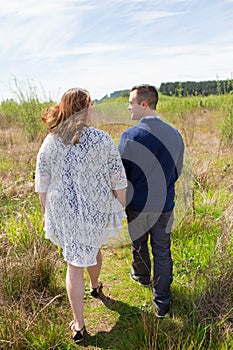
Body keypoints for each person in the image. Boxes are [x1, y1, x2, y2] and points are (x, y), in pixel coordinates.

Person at [35, 87, 127, 343]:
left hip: (63, 211)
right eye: (90, 105)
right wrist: (122, 204)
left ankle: (79, 325)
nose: (93, 109)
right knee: (90, 249)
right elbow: (117, 178)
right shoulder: (101, 139)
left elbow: (42, 182)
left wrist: (46, 213)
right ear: (84, 109)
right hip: (93, 209)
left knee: (73, 263)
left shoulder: (50, 140)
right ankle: (94, 290)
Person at [118, 84, 184, 318]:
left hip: (137, 205)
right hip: (164, 204)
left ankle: (142, 276)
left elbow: (121, 175)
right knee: (162, 251)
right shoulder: (175, 134)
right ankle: (162, 302)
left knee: (139, 243)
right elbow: (178, 170)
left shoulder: (129, 136)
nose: (128, 107)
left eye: (131, 102)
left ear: (143, 105)